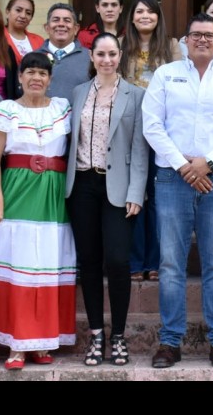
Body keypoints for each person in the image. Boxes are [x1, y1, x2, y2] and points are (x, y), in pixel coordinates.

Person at [142, 13, 213, 369]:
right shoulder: (166, 74)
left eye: (209, 35)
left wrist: (208, 161)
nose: (203, 40)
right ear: (186, 40)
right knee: (170, 263)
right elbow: (152, 125)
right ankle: (170, 341)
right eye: (196, 34)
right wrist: (184, 166)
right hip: (172, 177)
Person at [0, 51, 76, 370]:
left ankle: (40, 342)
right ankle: (16, 345)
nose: (36, 78)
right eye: (30, 72)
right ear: (19, 77)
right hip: (17, 192)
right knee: (18, 267)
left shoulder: (62, 108)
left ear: (50, 79)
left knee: (45, 267)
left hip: (53, 197)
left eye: (42, 73)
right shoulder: (7, 110)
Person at [66, 33, 149, 367]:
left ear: (120, 55)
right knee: (88, 261)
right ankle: (97, 335)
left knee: (117, 260)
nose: (106, 60)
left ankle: (119, 336)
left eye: (112, 54)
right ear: (91, 56)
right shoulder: (78, 93)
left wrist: (137, 192)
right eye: (100, 54)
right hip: (82, 184)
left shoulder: (135, 95)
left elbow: (140, 148)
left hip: (119, 186)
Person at [120, 0, 183, 283]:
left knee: (159, 198)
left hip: (164, 129)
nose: (145, 16)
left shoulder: (172, 47)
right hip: (129, 129)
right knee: (133, 195)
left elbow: (181, 85)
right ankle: (135, 261)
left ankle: (156, 261)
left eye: (150, 11)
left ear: (159, 17)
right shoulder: (121, 46)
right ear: (131, 18)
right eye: (139, 11)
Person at [36, 2, 92, 101]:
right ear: (47, 28)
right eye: (56, 20)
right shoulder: (32, 57)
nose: (61, 24)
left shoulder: (91, 58)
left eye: (67, 20)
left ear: (76, 28)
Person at [4, 0, 44, 64]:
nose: (23, 16)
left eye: (28, 13)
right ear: (7, 12)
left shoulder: (39, 41)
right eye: (18, 10)